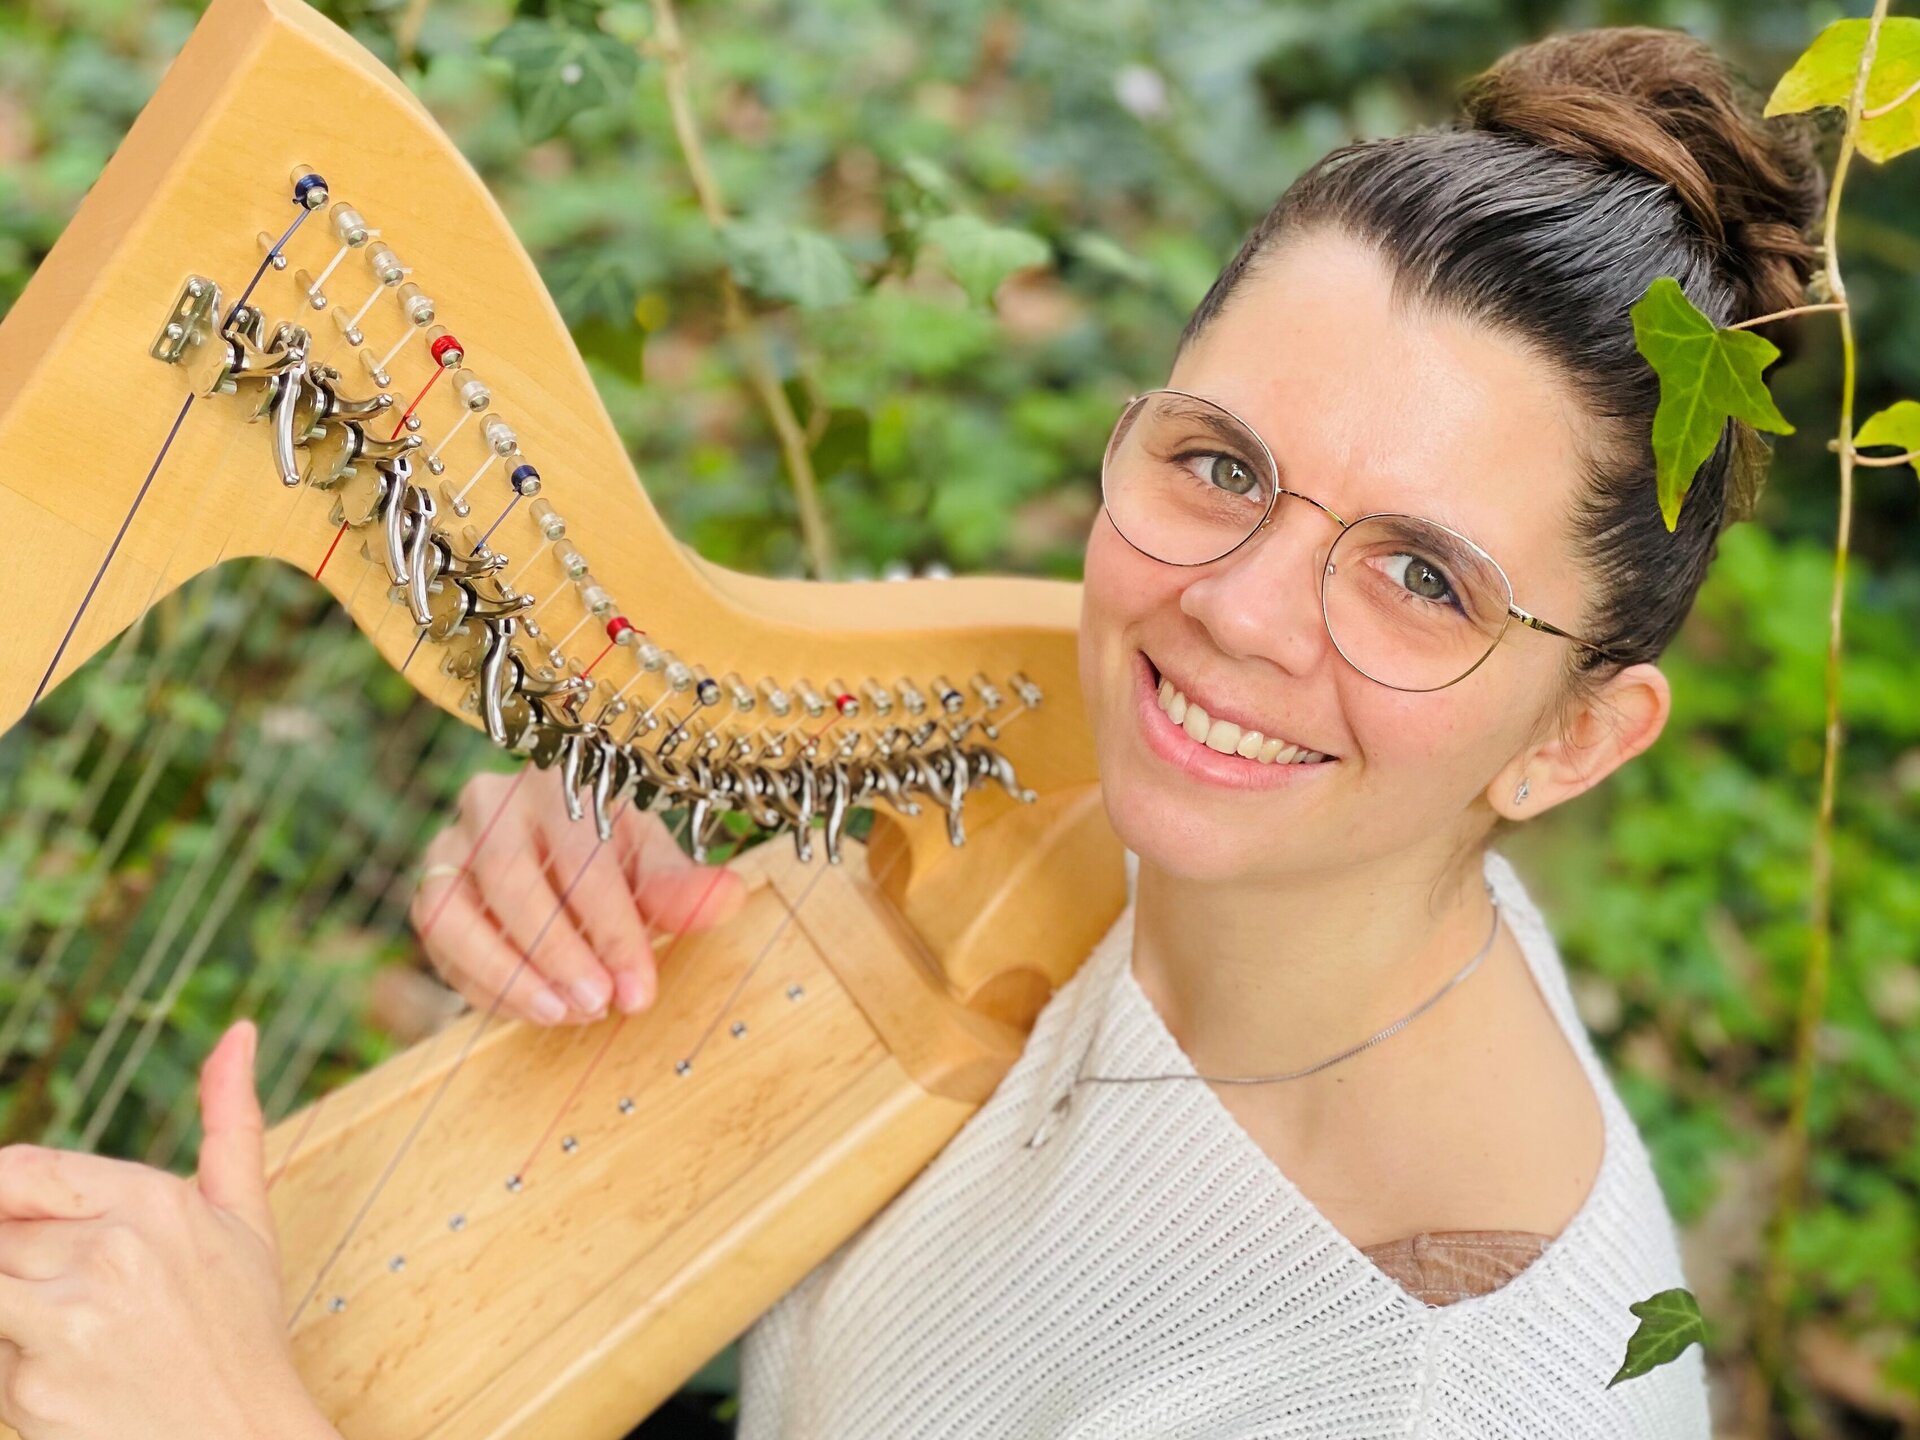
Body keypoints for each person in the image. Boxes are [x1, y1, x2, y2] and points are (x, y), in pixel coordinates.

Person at [0, 22, 1823, 1440]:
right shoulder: (1092, 791)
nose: (1242, 612)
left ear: (1575, 740)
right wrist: (581, 872)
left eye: (1420, 578)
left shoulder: (1431, 1394)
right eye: (1219, 467)